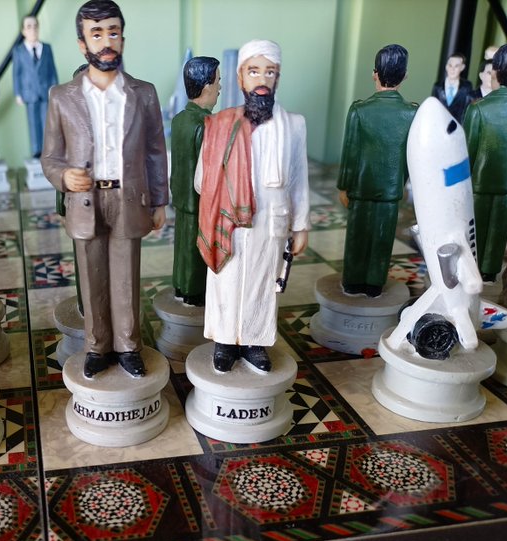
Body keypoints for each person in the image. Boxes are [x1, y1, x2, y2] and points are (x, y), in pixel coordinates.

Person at [41, 0, 168, 379]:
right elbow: (50, 156)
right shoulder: (61, 96)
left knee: (126, 277)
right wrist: (64, 177)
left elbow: (155, 151)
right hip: (86, 200)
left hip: (129, 198)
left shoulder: (144, 93)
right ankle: (97, 346)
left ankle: (128, 345)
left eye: (113, 32)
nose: (106, 41)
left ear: (123, 38)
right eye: (96, 34)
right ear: (82, 43)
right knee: (92, 275)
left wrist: (159, 200)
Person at [195, 39, 310, 373]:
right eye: (254, 71)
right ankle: (224, 342)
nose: (262, 79)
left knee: (262, 282)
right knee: (226, 281)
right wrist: (227, 192)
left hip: (271, 221)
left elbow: (299, 179)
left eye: (269, 72)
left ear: (278, 77)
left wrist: (301, 225)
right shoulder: (220, 125)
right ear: (240, 77)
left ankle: (254, 342)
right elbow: (202, 180)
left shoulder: (294, 126)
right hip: (229, 220)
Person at [337, 44, 417, 297]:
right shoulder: (412, 113)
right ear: (405, 76)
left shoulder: (359, 110)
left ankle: (352, 282)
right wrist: (403, 182)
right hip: (391, 189)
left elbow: (350, 152)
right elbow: (412, 157)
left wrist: (344, 185)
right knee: (383, 238)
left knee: (357, 236)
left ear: (374, 74)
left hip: (361, 187)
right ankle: (374, 284)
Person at [463, 43, 507, 282]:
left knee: (476, 228)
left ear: (495, 71)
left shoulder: (478, 108)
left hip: (479, 181)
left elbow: (467, 151)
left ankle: (472, 271)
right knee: (499, 230)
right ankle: (490, 273)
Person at [170, 56, 221, 307]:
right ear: (206, 85)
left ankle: (180, 286)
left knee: (182, 245)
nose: (220, 87)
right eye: (218, 80)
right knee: (197, 248)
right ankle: (194, 291)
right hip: (200, 200)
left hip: (181, 196)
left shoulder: (179, 119)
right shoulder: (207, 124)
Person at [12, 15, 59, 159]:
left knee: (47, 122)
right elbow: (17, 73)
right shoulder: (19, 51)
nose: (32, 29)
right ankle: (36, 150)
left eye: (35, 26)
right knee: (33, 122)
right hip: (29, 93)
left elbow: (52, 71)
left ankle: (49, 150)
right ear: (23, 31)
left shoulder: (46, 48)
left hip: (45, 91)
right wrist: (18, 93)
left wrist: (55, 89)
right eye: (28, 26)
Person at [431, 53, 473, 122]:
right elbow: (433, 108)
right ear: (446, 66)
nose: (452, 69)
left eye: (456, 66)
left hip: (458, 125)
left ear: (462, 67)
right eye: (450, 65)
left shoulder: (467, 87)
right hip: (440, 124)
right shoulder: (438, 86)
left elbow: (467, 110)